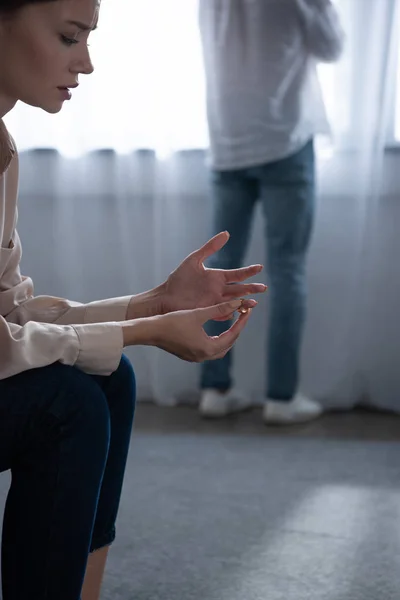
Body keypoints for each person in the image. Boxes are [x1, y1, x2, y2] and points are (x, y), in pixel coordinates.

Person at [0, 1, 267, 598]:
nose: (87, 63)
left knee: (107, 379)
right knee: (66, 404)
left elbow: (12, 315)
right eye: (70, 36)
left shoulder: (3, 149)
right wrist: (148, 330)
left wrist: (156, 303)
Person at [198, 0, 344, 425]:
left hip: (227, 138)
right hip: (285, 138)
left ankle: (214, 387)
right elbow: (331, 46)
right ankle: (281, 397)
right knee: (287, 270)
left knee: (221, 269)